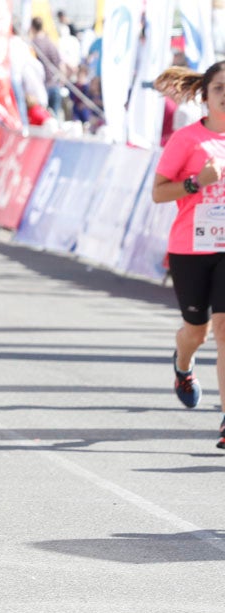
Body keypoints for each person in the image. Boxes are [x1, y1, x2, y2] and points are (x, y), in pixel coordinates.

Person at [152, 63, 225, 448]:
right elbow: (159, 192)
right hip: (191, 248)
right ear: (205, 94)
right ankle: (182, 366)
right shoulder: (187, 140)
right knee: (196, 332)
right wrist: (198, 182)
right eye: (219, 87)